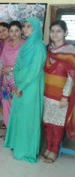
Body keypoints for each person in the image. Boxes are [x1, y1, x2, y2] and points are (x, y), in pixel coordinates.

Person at [4, 17, 46, 163]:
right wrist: (17, 84)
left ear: (36, 29)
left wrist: (21, 86)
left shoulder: (39, 46)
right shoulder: (26, 45)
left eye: (29, 27)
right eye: (25, 26)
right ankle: (18, 144)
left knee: (28, 119)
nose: (25, 29)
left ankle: (27, 149)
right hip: (19, 87)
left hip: (30, 88)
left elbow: (34, 71)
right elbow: (18, 65)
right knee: (19, 117)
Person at [42, 20, 75, 163]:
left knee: (58, 125)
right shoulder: (47, 50)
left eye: (59, 31)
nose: (55, 34)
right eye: (52, 31)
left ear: (66, 33)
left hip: (61, 96)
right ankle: (48, 147)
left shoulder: (71, 52)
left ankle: (54, 150)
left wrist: (65, 96)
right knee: (47, 123)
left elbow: (71, 77)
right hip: (46, 93)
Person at [0, 21, 25, 135]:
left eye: (16, 30)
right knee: (6, 106)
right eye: (11, 31)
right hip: (6, 82)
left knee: (17, 108)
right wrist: (2, 69)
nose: (13, 33)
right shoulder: (7, 45)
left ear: (21, 31)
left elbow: (26, 65)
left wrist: (11, 69)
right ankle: (10, 133)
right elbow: (1, 60)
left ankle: (17, 135)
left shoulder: (25, 45)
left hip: (18, 82)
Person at [0, 22, 10, 129]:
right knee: (4, 104)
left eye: (4, 30)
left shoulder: (16, 44)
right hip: (2, 78)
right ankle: (8, 128)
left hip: (14, 79)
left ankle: (12, 131)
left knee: (13, 105)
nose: (2, 33)